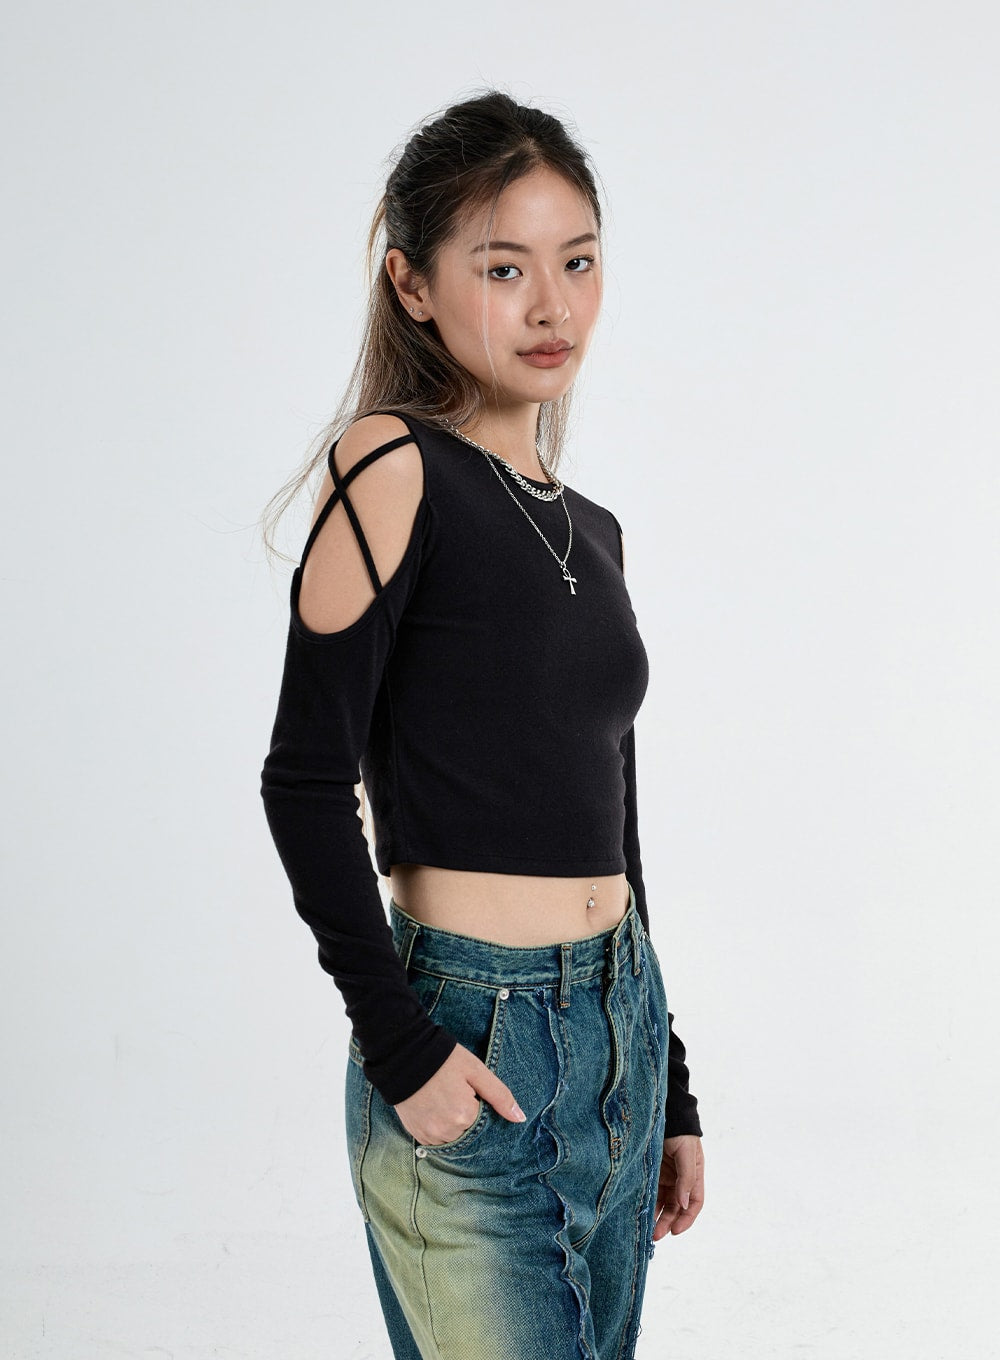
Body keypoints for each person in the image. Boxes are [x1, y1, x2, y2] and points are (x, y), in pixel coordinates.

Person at [258, 89, 705, 1360]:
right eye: (503, 269)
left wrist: (668, 1079)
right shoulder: (390, 466)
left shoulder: (595, 531)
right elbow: (302, 781)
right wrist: (401, 1046)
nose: (551, 306)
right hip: (473, 1033)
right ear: (412, 284)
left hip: (617, 1028)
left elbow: (613, 822)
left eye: (577, 262)